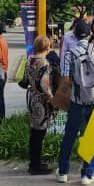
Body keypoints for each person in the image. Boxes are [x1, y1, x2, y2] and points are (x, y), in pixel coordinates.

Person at [56, 19, 94, 185]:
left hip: (77, 102)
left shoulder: (70, 53)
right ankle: (87, 173)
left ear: (75, 35)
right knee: (90, 137)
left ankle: (63, 172)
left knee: (69, 137)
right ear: (90, 33)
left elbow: (66, 80)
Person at [24, 36, 55, 175]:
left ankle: (34, 161)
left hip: (32, 98)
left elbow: (25, 80)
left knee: (34, 132)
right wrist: (51, 97)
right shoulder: (44, 63)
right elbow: (44, 83)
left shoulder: (29, 60)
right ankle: (35, 166)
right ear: (47, 47)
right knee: (40, 133)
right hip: (42, 101)